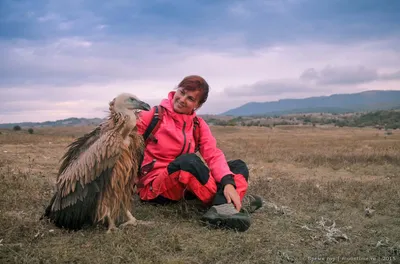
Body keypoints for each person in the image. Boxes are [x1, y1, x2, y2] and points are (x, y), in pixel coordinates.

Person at [136, 75, 262, 232]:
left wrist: (228, 183)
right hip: (155, 187)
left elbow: (213, 155)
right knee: (188, 162)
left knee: (237, 166)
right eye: (181, 92)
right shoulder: (152, 116)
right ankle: (233, 204)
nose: (182, 99)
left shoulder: (198, 125)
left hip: (184, 185)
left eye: (190, 98)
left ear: (197, 105)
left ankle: (222, 207)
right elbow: (118, 141)